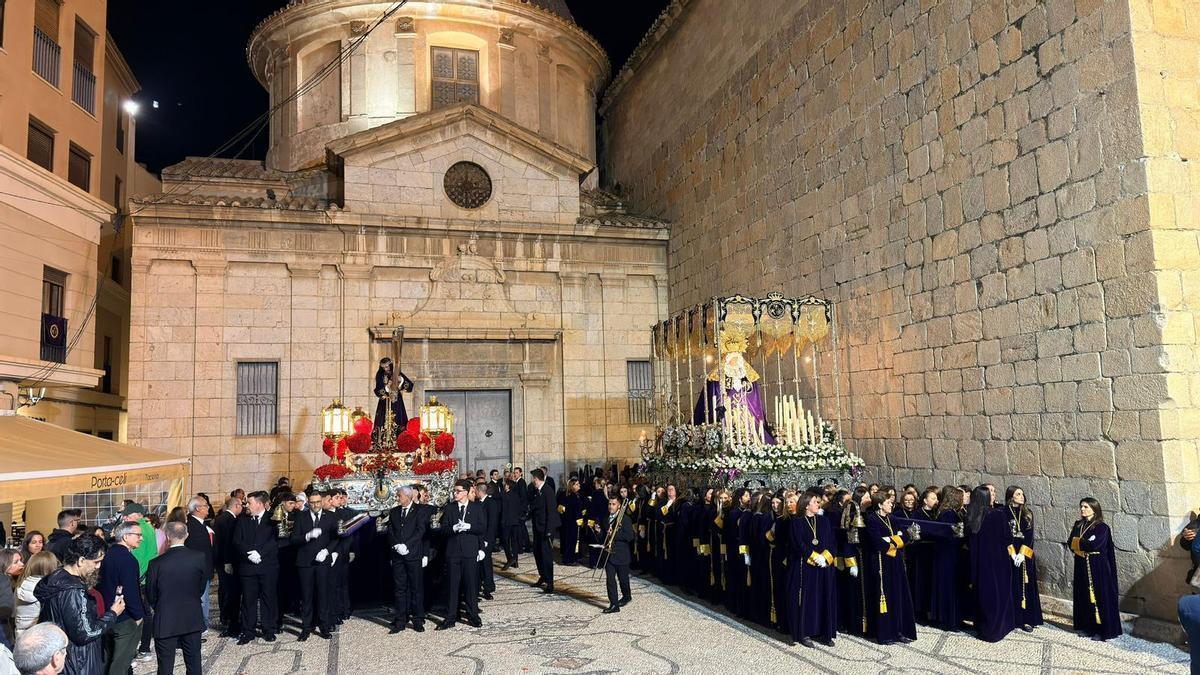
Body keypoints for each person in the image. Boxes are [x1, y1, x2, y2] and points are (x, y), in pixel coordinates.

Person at [34, 535, 124, 674]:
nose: (98, 567)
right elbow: (85, 633)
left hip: (62, 657)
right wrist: (113, 613)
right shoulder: (73, 589)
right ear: (81, 560)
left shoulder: (55, 580)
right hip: (78, 662)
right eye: (96, 562)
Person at [146, 522, 205, 675]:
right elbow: (201, 587)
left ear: (167, 536)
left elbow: (150, 594)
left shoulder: (155, 563)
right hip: (192, 616)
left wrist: (161, 606)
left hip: (166, 618)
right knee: (194, 664)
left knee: (165, 666)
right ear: (187, 535)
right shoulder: (199, 557)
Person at [862, 491, 915, 645]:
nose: (891, 504)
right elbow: (877, 542)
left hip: (896, 562)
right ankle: (884, 633)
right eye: (888, 503)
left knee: (897, 595)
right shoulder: (872, 519)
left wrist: (892, 541)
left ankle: (899, 631)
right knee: (884, 596)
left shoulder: (893, 518)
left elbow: (905, 537)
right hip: (881, 563)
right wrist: (895, 541)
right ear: (879, 504)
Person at [787, 490, 837, 648]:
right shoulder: (797, 522)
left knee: (824, 597)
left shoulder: (823, 521)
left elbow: (831, 542)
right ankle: (805, 632)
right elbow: (798, 544)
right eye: (815, 502)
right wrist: (815, 557)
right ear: (807, 505)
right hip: (805, 566)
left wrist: (826, 558)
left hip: (824, 566)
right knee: (808, 599)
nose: (818, 504)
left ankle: (825, 632)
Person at [965, 485, 1014, 642]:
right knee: (998, 595)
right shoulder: (997, 515)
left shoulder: (971, 517)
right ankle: (996, 630)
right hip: (998, 562)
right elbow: (1008, 538)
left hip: (979, 563)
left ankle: (982, 628)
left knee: (983, 594)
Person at [96, 522, 145, 675]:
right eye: (138, 535)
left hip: (106, 614)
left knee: (107, 659)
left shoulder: (106, 555)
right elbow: (131, 591)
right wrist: (138, 616)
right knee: (120, 664)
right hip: (124, 617)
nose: (141, 538)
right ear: (125, 536)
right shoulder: (128, 559)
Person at [1069, 497, 1121, 640]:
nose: (1082, 509)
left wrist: (1080, 543)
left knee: (1099, 596)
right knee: (1084, 596)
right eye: (1081, 507)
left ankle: (1102, 629)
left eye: (1085, 507)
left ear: (1094, 509)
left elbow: (1095, 545)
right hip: (1081, 564)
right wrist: (1082, 543)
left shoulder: (1101, 527)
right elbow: (1070, 543)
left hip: (1097, 565)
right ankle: (1087, 627)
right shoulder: (1078, 525)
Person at [436, 480, 485, 630]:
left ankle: (473, 616)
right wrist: (454, 528)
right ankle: (450, 617)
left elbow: (482, 528)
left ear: (466, 492)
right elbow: (443, 530)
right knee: (452, 586)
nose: (455, 493)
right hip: (453, 553)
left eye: (458, 491)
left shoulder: (476, 507)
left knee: (470, 585)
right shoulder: (450, 508)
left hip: (470, 552)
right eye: (454, 491)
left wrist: (469, 528)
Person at [233, 491, 279, 645]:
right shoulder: (242, 519)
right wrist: (249, 555)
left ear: (259, 504)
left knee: (268, 598)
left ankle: (269, 629)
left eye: (249, 503)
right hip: (248, 567)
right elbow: (237, 541)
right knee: (248, 600)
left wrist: (261, 553)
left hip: (267, 566)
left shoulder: (274, 518)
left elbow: (276, 540)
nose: (246, 505)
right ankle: (248, 631)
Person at [290, 492, 337, 641]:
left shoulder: (330, 517)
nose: (315, 505)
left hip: (322, 562)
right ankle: (306, 627)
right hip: (305, 562)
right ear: (308, 503)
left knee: (323, 594)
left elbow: (336, 538)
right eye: (312, 502)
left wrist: (327, 551)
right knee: (306, 596)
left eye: (317, 502)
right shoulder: (301, 517)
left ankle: (324, 626)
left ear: (322, 502)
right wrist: (307, 536)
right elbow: (293, 539)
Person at [387, 486, 427, 634]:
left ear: (408, 497)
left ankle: (417, 619)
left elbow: (420, 531)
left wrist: (407, 545)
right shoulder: (394, 511)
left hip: (413, 555)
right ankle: (400, 621)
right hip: (398, 556)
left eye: (400, 496)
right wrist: (396, 545)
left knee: (416, 588)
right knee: (400, 589)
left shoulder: (420, 511)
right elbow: (390, 531)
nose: (398, 498)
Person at [1004, 486, 1043, 632]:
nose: (1022, 496)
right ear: (1011, 496)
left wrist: (1022, 553)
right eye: (1018, 494)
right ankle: (1013, 618)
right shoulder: (1003, 512)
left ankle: (1027, 619)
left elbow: (1029, 536)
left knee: (1026, 586)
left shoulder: (1028, 513)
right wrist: (1012, 553)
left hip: (1025, 556)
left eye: (1022, 493)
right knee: (1011, 585)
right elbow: (1004, 535)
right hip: (1009, 554)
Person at [212, 497, 243, 638]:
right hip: (227, 561)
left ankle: (226, 619)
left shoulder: (221, 518)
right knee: (230, 592)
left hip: (221, 561)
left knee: (224, 591)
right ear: (236, 506)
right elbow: (227, 544)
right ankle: (230, 622)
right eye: (241, 505)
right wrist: (228, 562)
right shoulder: (229, 520)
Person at [597, 497, 634, 614]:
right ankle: (614, 604)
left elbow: (629, 536)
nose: (610, 506)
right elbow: (603, 537)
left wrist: (614, 534)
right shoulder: (605, 519)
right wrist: (599, 532)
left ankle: (627, 596)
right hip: (609, 555)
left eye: (613, 504)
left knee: (623, 579)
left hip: (622, 555)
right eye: (609, 504)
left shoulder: (625, 519)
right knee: (610, 580)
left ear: (619, 506)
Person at [182, 498, 214, 628]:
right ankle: (200, 625)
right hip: (199, 571)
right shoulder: (193, 527)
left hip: (203, 569)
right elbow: (199, 551)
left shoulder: (200, 524)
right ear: (197, 508)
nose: (208, 507)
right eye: (205, 505)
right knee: (201, 600)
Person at [528, 469, 560, 595]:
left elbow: (551, 512)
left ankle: (550, 583)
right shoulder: (538, 491)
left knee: (546, 557)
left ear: (536, 478)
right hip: (538, 528)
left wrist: (549, 531)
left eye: (533, 479)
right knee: (537, 553)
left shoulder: (548, 491)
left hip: (546, 530)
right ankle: (543, 576)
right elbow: (535, 508)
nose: (532, 481)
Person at [14, 554, 56, 640]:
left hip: (20, 634)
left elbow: (14, 611)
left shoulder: (21, 584)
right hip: (40, 635)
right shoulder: (47, 589)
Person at [373, 357, 414, 442]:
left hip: (397, 403)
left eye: (387, 367)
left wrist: (401, 381)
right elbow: (378, 391)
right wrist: (387, 387)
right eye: (383, 367)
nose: (386, 369)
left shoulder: (396, 373)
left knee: (399, 421)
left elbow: (409, 386)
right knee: (383, 422)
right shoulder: (380, 375)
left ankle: (400, 441)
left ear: (391, 366)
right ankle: (382, 442)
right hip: (385, 403)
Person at [476, 483, 500, 600]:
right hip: (480, 538)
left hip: (487, 539)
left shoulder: (491, 503)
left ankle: (489, 586)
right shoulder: (479, 503)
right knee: (481, 564)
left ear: (481, 491)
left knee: (486, 564)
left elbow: (492, 524)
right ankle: (482, 585)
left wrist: (487, 539)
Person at [0, 550, 21, 649]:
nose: (22, 564)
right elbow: (6, 610)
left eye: (21, 560)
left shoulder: (13, 579)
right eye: (16, 562)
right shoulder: (4, 579)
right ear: (5, 564)